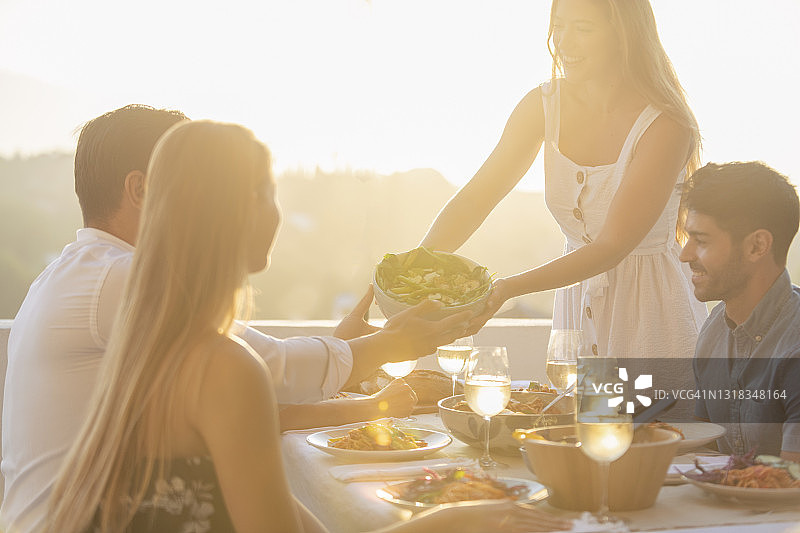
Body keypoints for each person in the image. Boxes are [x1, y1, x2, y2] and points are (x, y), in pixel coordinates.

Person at [44, 120, 570, 533]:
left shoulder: (151, 348)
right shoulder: (223, 368)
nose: (276, 212)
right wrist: (451, 522)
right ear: (234, 211)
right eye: (264, 192)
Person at [420, 0, 707, 365]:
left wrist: (509, 288)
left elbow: (612, 246)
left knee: (649, 422)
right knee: (581, 420)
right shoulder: (542, 105)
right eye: (559, 26)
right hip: (576, 307)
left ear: (624, 36)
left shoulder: (666, 126)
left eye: (583, 29)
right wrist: (410, 268)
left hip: (649, 315)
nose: (564, 43)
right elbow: (476, 199)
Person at [680, 161, 800, 461]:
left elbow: (788, 488)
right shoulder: (714, 330)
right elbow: (704, 454)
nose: (685, 255)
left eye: (702, 240)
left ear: (757, 246)